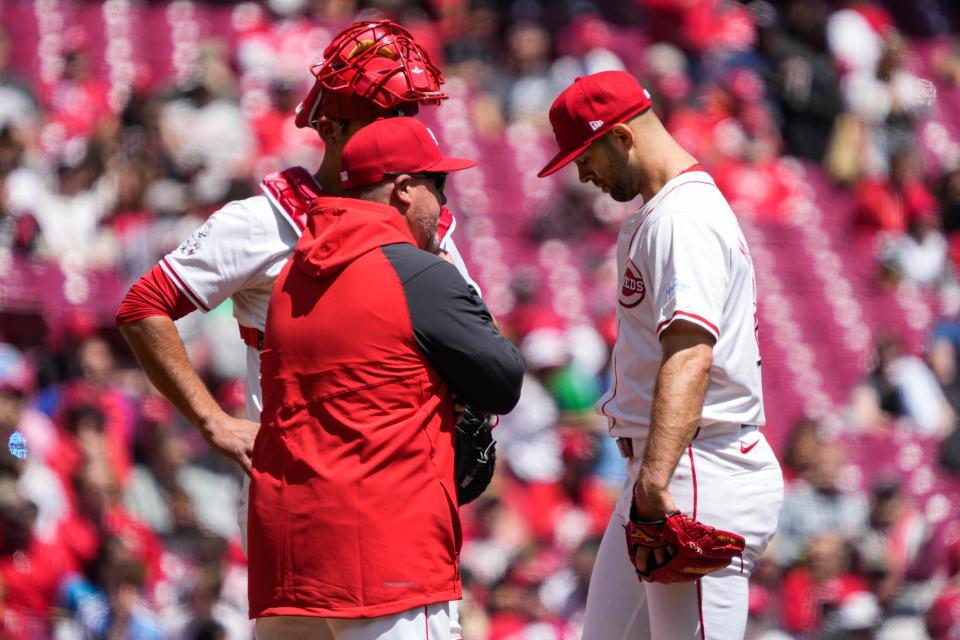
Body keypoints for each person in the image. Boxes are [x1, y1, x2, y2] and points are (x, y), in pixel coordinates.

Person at [115, 20, 475, 549]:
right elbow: (143, 305)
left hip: (393, 500)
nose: (400, 128)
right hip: (294, 499)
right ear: (330, 129)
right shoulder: (265, 221)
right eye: (381, 116)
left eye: (406, 113)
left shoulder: (427, 223)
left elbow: (479, 354)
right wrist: (213, 421)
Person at [249, 116, 524, 639]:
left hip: (290, 557)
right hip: (385, 558)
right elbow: (503, 381)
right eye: (436, 186)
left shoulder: (290, 276)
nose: (443, 205)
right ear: (402, 189)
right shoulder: (418, 274)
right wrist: (458, 291)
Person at [538, 70, 784, 639]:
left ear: (622, 137)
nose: (581, 172)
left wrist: (655, 482)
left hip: (694, 469)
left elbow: (691, 355)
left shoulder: (682, 218)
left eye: (585, 154)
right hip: (670, 466)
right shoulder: (668, 212)